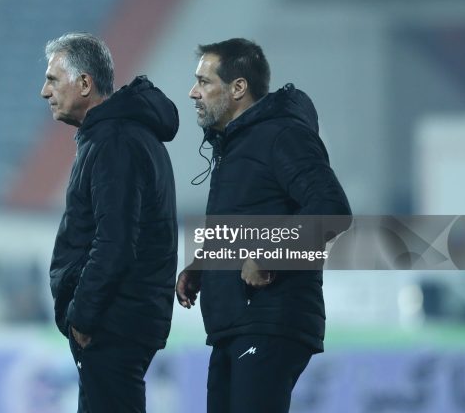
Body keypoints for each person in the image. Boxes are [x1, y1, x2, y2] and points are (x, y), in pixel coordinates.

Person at [176, 38, 351, 413]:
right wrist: (205, 264)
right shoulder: (235, 145)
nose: (193, 93)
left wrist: (270, 255)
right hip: (235, 323)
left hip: (269, 319)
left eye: (204, 82)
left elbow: (332, 208)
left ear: (238, 88)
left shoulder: (282, 135)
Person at [41, 32, 179, 413]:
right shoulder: (118, 135)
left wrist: (84, 315)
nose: (44, 91)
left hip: (113, 321)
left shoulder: (114, 141)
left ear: (84, 83)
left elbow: (115, 241)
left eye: (53, 79)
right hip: (123, 316)